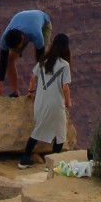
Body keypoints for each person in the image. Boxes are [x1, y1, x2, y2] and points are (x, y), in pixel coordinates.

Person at [18, 32, 72, 168]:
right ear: (66, 48)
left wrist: (30, 92)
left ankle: (25, 158)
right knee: (60, 134)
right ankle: (53, 165)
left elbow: (33, 78)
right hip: (55, 104)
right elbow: (65, 87)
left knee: (38, 129)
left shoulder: (43, 61)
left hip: (40, 103)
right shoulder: (64, 65)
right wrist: (68, 101)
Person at [0, 8, 51, 96]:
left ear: (22, 38)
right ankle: (15, 92)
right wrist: (0, 86)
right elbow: (3, 61)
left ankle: (42, 92)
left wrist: (31, 91)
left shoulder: (36, 34)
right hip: (23, 20)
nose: (19, 49)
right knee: (10, 59)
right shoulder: (5, 39)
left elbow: (40, 61)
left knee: (42, 62)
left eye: (19, 47)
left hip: (43, 24)